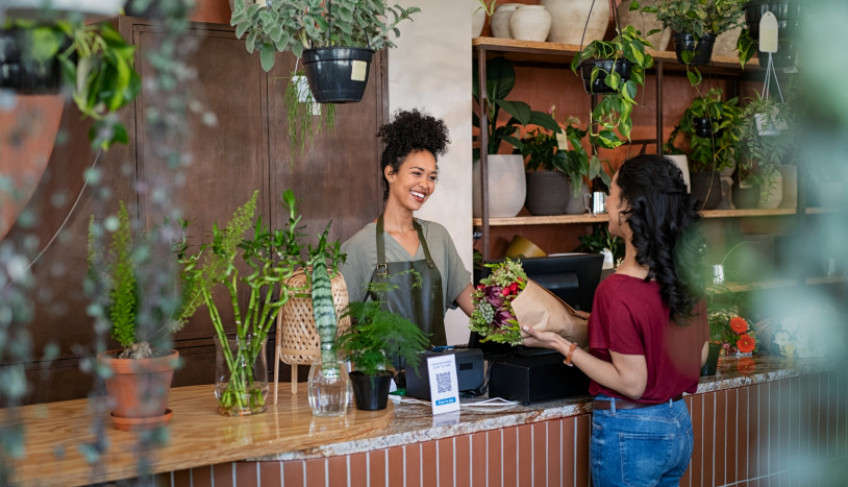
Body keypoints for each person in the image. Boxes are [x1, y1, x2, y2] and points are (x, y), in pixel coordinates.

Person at [522, 155, 709, 487]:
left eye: (611, 192)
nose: (606, 201)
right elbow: (701, 356)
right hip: (677, 423)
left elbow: (632, 383)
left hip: (631, 433)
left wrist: (560, 344)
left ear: (628, 207)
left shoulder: (616, 290)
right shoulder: (686, 279)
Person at [339, 109, 474, 348]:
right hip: (381, 381)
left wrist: (522, 328)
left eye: (432, 177)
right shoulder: (359, 246)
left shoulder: (438, 237)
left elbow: (475, 306)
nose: (425, 185)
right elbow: (338, 329)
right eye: (417, 173)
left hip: (435, 376)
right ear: (391, 173)